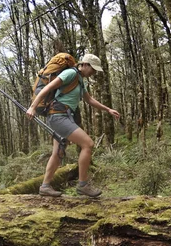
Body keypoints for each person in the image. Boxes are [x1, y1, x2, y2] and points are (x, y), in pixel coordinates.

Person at [26, 53, 120, 198]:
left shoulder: (81, 81)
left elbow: (89, 99)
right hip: (58, 116)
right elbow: (48, 88)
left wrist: (107, 109)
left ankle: (45, 186)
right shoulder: (70, 73)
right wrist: (33, 107)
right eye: (93, 69)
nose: (94, 72)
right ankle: (83, 185)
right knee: (88, 144)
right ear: (85, 65)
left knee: (58, 152)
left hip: (63, 116)